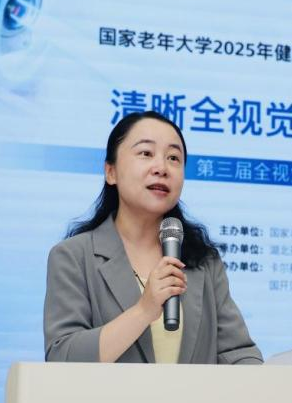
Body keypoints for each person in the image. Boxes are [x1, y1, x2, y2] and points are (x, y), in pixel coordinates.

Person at [44, 110, 262, 366]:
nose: (162, 168)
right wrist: (144, 311)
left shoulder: (203, 261)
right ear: (111, 172)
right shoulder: (73, 257)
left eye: (173, 158)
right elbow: (62, 357)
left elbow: (237, 353)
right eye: (146, 153)